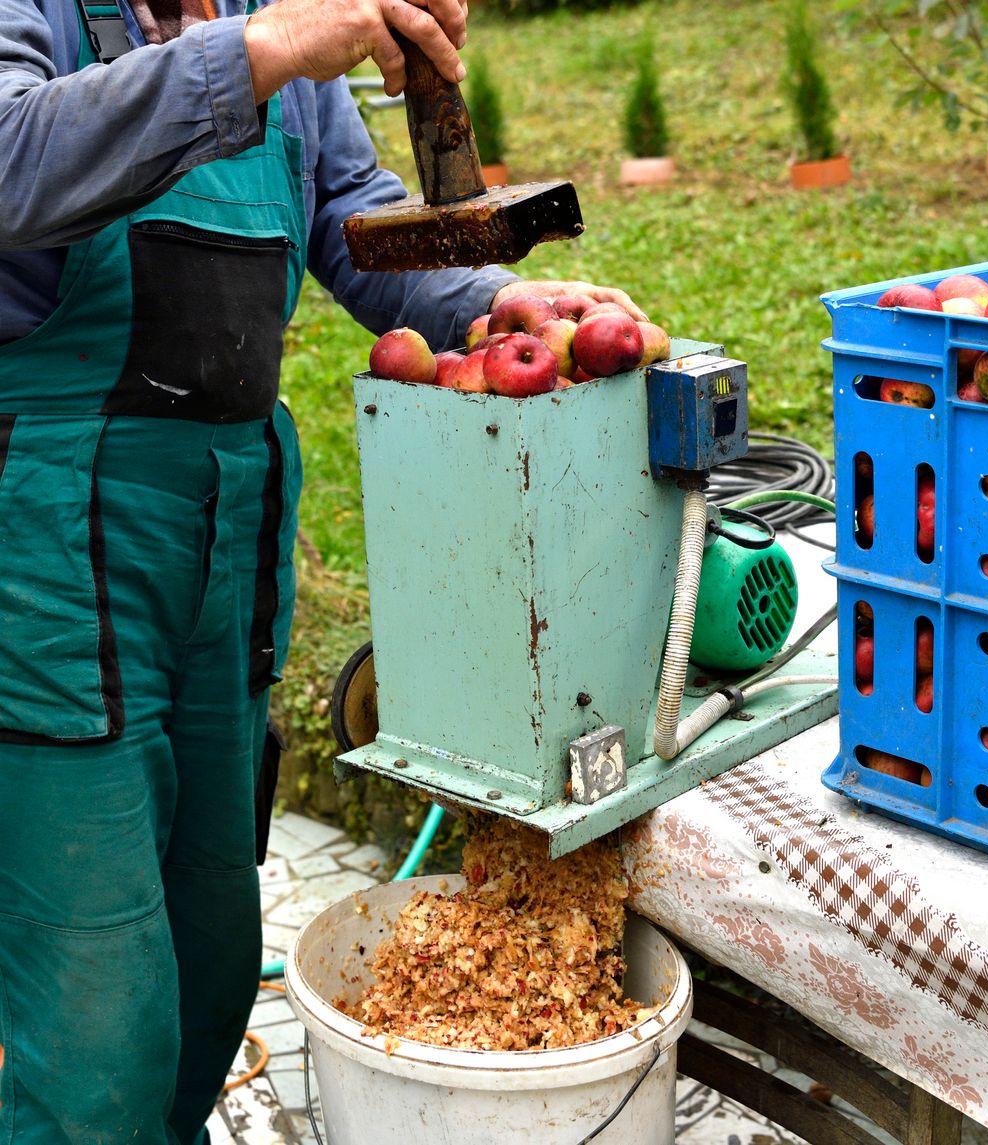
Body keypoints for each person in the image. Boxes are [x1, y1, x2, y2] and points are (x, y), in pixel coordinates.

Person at [0, 0, 640, 1139]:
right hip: (57, 533)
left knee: (207, 951)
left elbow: (348, 217)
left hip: (225, 524)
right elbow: (10, 159)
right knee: (99, 1004)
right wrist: (263, 50)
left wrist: (489, 307)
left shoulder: (258, 17)